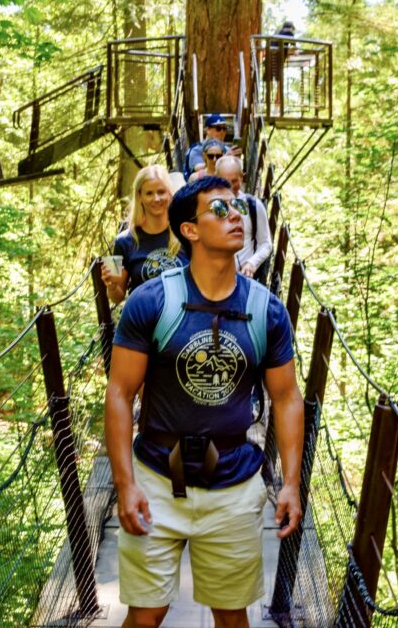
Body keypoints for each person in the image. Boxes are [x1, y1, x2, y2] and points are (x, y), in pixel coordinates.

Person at [105, 176, 304, 628]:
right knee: (145, 614)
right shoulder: (150, 302)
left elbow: (287, 398)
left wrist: (290, 482)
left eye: (236, 208)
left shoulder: (267, 310)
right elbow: (119, 393)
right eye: (219, 209)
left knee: (233, 617)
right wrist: (124, 485)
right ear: (190, 231)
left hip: (234, 482)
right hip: (156, 477)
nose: (236, 216)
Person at [103, 165, 188, 305]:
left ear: (169, 193)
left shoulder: (185, 231)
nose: (156, 198)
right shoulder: (122, 241)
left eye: (161, 192)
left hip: (185, 316)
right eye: (149, 193)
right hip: (145, 319)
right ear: (139, 196)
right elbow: (116, 298)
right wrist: (111, 286)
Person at [214, 155, 271, 282]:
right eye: (224, 181)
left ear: (242, 178)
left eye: (234, 181)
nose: (229, 186)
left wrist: (252, 263)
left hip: (244, 280)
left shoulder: (254, 206)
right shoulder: (208, 207)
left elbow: (266, 243)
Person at [185, 114, 234, 179]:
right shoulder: (197, 149)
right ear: (207, 130)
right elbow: (198, 169)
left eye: (224, 129)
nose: (222, 132)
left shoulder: (227, 149)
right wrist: (223, 158)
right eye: (218, 128)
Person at [265, 22, 295, 112]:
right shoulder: (289, 33)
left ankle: (268, 106)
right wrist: (292, 52)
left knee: (269, 83)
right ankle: (276, 107)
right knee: (279, 83)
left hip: (270, 58)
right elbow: (294, 47)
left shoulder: (277, 33)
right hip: (278, 59)